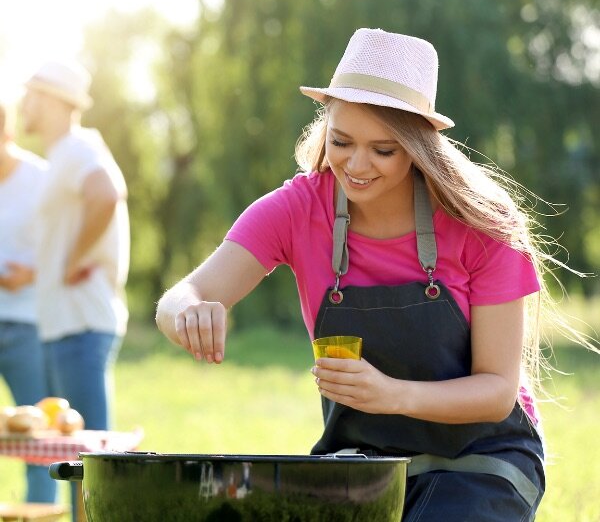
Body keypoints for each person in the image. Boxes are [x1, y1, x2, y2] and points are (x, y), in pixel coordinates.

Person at [155, 28, 590, 520]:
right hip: (361, 467)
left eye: (383, 150)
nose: (356, 165)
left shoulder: (481, 224)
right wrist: (188, 313)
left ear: (418, 146)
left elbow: (495, 392)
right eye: (341, 142)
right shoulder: (298, 209)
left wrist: (392, 394)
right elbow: (181, 296)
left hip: (481, 461)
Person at [20, 62, 129, 520]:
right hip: (69, 324)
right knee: (75, 456)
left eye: (28, 95)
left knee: (88, 461)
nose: (22, 105)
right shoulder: (67, 153)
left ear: (47, 100)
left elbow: (105, 196)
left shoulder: (75, 149)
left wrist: (74, 261)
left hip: (80, 325)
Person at [0, 103, 57, 503]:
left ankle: (42, 511)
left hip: (28, 323)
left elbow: (62, 247)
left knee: (38, 439)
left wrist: (31, 275)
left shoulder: (39, 178)